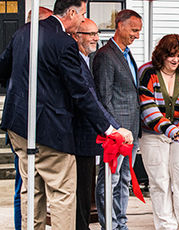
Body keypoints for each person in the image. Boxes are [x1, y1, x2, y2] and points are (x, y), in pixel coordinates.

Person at [0, 0, 133, 229]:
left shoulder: (24, 32)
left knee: (32, 190)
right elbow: (80, 91)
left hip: (18, 124)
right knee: (63, 192)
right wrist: (109, 128)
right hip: (49, 129)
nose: (82, 19)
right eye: (82, 14)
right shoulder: (63, 42)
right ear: (71, 12)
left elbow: (3, 70)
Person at [138, 34, 179, 230]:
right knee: (160, 181)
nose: (175, 60)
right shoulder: (148, 73)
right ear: (161, 55)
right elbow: (147, 106)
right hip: (153, 134)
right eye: (170, 55)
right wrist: (168, 128)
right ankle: (166, 225)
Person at [93, 9, 142, 230]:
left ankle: (121, 224)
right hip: (117, 133)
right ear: (119, 25)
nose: (137, 35)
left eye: (139, 31)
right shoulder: (105, 55)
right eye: (134, 30)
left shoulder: (126, 53)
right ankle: (109, 225)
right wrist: (116, 129)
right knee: (109, 182)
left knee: (124, 181)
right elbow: (104, 98)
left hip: (132, 130)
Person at [9, 7, 54, 230]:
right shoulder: (22, 44)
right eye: (45, 23)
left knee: (33, 186)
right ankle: (21, 226)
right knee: (24, 185)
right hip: (22, 124)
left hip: (39, 125)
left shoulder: (43, 47)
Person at [72, 18, 101, 230]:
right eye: (90, 34)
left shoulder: (88, 60)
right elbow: (84, 98)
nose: (95, 38)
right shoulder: (75, 60)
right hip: (77, 135)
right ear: (76, 36)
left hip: (87, 135)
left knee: (85, 189)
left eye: (96, 33)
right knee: (80, 189)